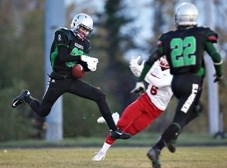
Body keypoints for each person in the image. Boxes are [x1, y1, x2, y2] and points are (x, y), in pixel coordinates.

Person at [131, 3, 223, 168]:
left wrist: (140, 80)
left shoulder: (168, 37)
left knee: (196, 109)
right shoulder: (200, 33)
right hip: (192, 83)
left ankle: (172, 137)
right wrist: (219, 73)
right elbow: (215, 56)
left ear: (177, 19)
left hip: (176, 82)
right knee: (178, 120)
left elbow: (151, 59)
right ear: (194, 17)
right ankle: (156, 149)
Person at [11, 13, 131, 140]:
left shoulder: (86, 45)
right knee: (42, 111)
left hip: (72, 80)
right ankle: (26, 97)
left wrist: (88, 67)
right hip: (58, 79)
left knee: (100, 95)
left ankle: (114, 130)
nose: (84, 32)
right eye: (82, 28)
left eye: (87, 30)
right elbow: (62, 57)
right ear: (75, 25)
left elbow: (78, 67)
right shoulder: (63, 34)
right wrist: (81, 57)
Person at [92, 56, 173, 161]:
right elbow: (140, 75)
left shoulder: (175, 73)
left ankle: (112, 121)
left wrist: (142, 71)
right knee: (120, 128)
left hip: (156, 110)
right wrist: (135, 69)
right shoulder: (155, 64)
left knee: (128, 133)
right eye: (162, 56)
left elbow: (158, 83)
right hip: (144, 100)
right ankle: (102, 152)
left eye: (165, 57)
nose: (162, 58)